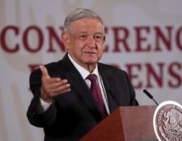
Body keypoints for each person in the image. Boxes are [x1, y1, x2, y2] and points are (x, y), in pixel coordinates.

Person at [26, 8, 139, 141]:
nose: (92, 44)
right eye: (83, 36)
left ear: (103, 41)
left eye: (97, 37)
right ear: (66, 40)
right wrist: (45, 99)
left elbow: (134, 124)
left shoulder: (120, 77)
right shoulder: (51, 76)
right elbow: (39, 120)